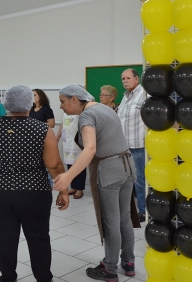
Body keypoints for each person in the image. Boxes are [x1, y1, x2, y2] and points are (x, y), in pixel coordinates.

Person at [0, 85, 69, 282]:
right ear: (29, 103)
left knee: (4, 238)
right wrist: (63, 191)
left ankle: (7, 277)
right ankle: (43, 278)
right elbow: (54, 164)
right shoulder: (42, 129)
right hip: (34, 191)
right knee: (39, 237)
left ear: (6, 104)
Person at [54, 84, 137, 279]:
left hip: (109, 171)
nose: (61, 107)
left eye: (63, 102)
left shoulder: (87, 116)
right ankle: (129, 262)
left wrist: (68, 176)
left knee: (111, 222)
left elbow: (90, 149)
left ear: (74, 99)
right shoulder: (105, 108)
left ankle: (109, 268)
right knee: (125, 218)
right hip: (127, 166)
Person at [117, 69, 147, 222]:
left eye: (128, 78)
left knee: (139, 180)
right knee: (126, 180)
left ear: (137, 79)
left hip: (138, 146)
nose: (125, 81)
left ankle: (143, 211)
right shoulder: (125, 97)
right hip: (123, 147)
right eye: (123, 78)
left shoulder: (143, 94)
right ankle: (131, 210)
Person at [56, 113, 85, 199]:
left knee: (79, 164)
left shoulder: (79, 110)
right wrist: (57, 137)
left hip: (76, 141)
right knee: (70, 163)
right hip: (67, 140)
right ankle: (73, 186)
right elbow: (63, 124)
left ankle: (80, 189)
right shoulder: (65, 111)